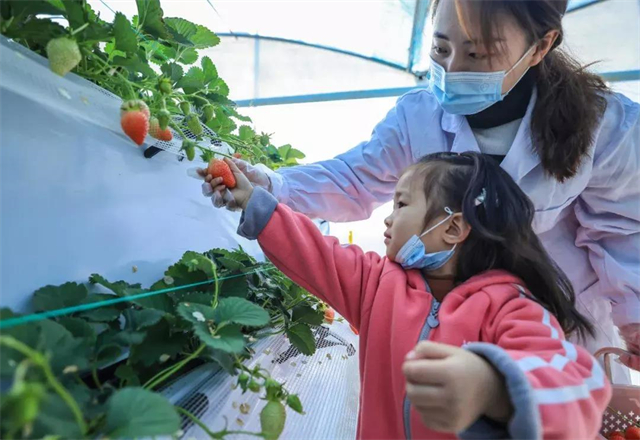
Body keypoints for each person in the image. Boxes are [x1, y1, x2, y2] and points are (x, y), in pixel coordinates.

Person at [204, 0, 640, 380]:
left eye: (478, 53)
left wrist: (635, 321)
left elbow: (623, 230)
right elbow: (354, 179)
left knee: (546, 409)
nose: (452, 70)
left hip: (558, 331)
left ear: (541, 46)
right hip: (449, 332)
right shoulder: (418, 117)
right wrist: (273, 186)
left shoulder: (604, 125)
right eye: (441, 49)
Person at [207, 153, 611, 439]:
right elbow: (313, 250)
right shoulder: (376, 284)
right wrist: (252, 199)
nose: (388, 217)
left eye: (401, 204)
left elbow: (577, 382)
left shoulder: (510, 308)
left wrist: (494, 387)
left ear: (452, 228)